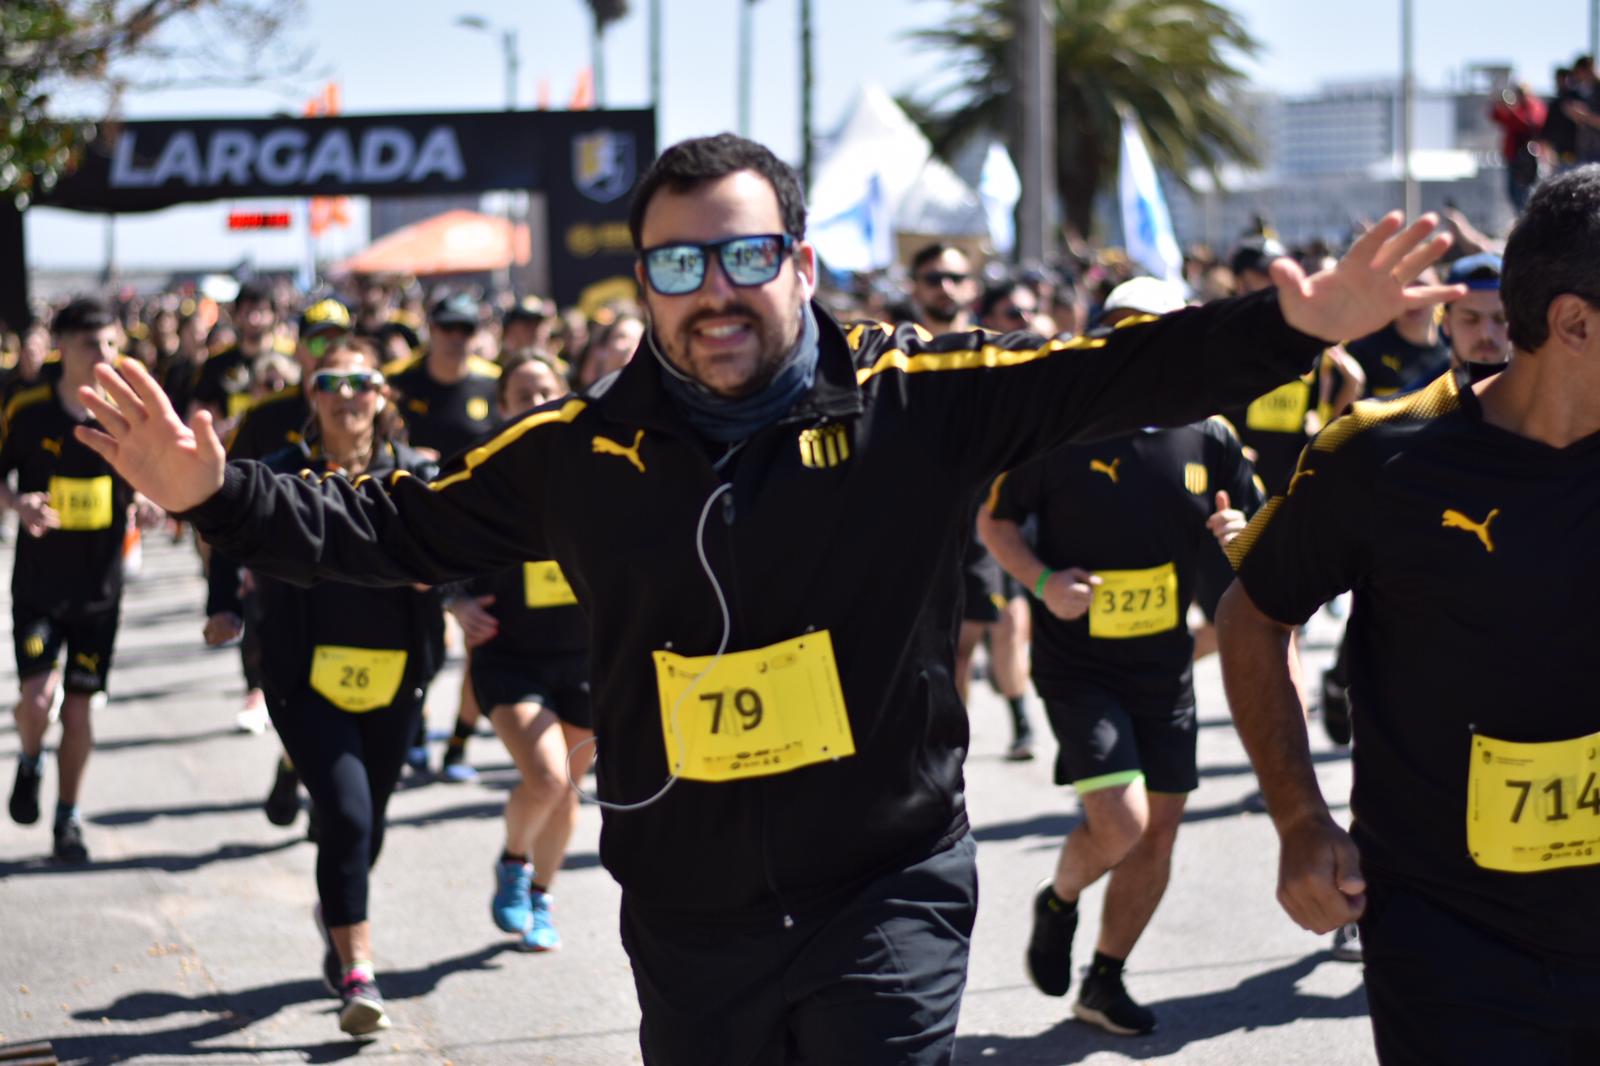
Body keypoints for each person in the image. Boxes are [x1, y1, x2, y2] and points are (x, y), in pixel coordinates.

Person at [78, 133, 1458, 1066]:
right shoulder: (581, 453)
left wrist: (1291, 326)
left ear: (799, 261)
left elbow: (1107, 372)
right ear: (643, 284)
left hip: (889, 883)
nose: (714, 293)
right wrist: (213, 495)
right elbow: (395, 521)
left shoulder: (918, 405)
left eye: (745, 257)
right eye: (678, 266)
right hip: (691, 914)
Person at [1218, 166, 1600, 1066]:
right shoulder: (1383, 456)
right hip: (1449, 939)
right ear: (1575, 323)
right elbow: (1253, 615)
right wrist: (1300, 819)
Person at [977, 278, 1265, 1034]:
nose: (1145, 345)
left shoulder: (1210, 435)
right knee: (1122, 823)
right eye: (1128, 329)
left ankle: (1105, 979)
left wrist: (1243, 536)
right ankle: (1059, 899)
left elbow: (1260, 521)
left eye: (1161, 331)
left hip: (1163, 665)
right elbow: (994, 524)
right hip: (1078, 664)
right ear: (1103, 335)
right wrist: (1042, 581)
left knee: (1160, 831)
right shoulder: (1060, 428)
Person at [203, 336, 441, 1037]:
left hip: (398, 671)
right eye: (332, 382)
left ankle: (337, 912)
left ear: (381, 393)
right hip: (301, 670)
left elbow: (460, 549)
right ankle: (357, 971)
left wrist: (449, 583)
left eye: (360, 382)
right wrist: (223, 604)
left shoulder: (413, 472)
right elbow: (226, 526)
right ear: (313, 394)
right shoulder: (281, 472)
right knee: (346, 814)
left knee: (369, 821)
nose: (346, 396)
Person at [445, 352, 596, 952]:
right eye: (522, 394)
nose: (534, 405)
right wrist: (456, 602)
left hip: (586, 657)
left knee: (569, 792)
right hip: (509, 656)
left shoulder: (594, 466)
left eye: (545, 392)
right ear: (502, 404)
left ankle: (540, 895)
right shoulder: (482, 472)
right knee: (547, 777)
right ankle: (513, 862)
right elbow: (436, 543)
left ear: (563, 397)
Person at [3, 298, 163, 863]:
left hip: (100, 587)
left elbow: (150, 478)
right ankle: (28, 761)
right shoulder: (26, 408)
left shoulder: (129, 410)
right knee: (38, 696)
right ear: (65, 345)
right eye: (94, 345)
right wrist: (19, 504)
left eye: (113, 345)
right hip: (40, 583)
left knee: (76, 708)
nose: (106, 356)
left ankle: (67, 818)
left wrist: (145, 503)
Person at [381, 292, 502, 781]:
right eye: (448, 328)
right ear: (430, 328)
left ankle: (457, 745)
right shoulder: (398, 383)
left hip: (481, 533)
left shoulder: (494, 383)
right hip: (414, 530)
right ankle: (414, 729)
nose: (456, 338)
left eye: (466, 330)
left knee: (480, 636)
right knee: (423, 643)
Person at [1344, 266, 1451, 398]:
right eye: (1404, 288)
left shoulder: (1455, 345)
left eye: (1422, 287)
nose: (1414, 298)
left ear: (1440, 291)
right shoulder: (1364, 348)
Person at [190, 281, 278, 432]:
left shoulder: (290, 360)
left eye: (261, 311)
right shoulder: (216, 363)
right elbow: (196, 414)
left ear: (274, 316)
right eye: (248, 311)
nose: (254, 319)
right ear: (236, 315)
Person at [1489, 81, 1548, 213]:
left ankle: (1526, 220)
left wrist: (1511, 110)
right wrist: (1500, 104)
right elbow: (1496, 117)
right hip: (1512, 156)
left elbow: (1530, 125)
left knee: (1524, 193)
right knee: (1513, 193)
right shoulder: (1517, 106)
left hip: (1527, 157)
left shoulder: (1533, 105)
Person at [907, 242, 978, 333]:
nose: (945, 288)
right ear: (915, 289)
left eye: (956, 278)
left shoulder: (996, 344)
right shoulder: (897, 345)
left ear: (973, 287)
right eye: (933, 279)